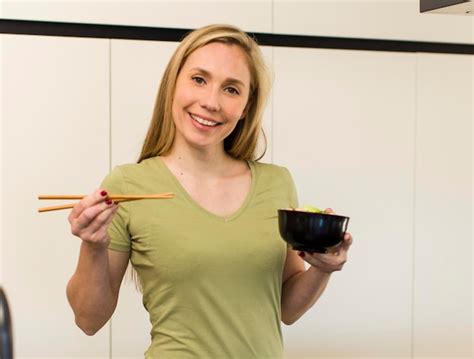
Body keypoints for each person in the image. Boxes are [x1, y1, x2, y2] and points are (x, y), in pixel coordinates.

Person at [66, 24, 353, 358]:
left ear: (246, 106)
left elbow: (286, 308)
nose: (211, 102)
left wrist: (322, 268)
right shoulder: (127, 186)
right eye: (199, 79)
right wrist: (93, 244)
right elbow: (88, 319)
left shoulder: (277, 183)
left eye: (231, 89)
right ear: (174, 84)